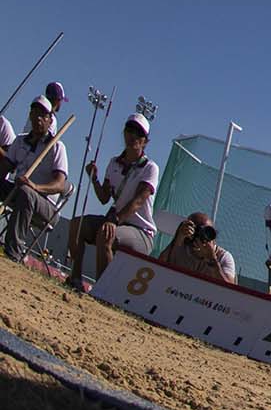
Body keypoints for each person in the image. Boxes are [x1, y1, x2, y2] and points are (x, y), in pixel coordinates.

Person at [66, 112, 161, 290]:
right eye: (129, 130)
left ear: (145, 141)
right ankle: (75, 279)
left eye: (138, 133)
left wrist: (114, 221)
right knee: (76, 225)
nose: (132, 136)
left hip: (141, 232)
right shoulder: (113, 163)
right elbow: (104, 197)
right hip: (116, 222)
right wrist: (94, 179)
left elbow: (138, 201)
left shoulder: (150, 168)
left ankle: (104, 291)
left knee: (106, 233)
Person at [1, 96, 70, 262]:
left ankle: (13, 251)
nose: (38, 118)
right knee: (22, 191)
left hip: (46, 206)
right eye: (35, 114)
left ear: (49, 120)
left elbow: (60, 184)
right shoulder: (20, 141)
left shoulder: (56, 147)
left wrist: (35, 187)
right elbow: (4, 168)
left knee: (26, 192)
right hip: (19, 191)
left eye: (43, 116)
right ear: (30, 115)